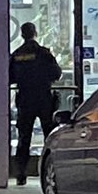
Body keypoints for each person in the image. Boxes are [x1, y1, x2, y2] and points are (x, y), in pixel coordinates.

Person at [9, 22, 62, 185]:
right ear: (35, 33)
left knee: (24, 137)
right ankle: (51, 171)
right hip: (43, 99)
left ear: (22, 35)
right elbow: (56, 73)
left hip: (25, 100)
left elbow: (10, 77)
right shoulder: (43, 53)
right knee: (49, 136)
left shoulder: (17, 55)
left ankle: (20, 173)